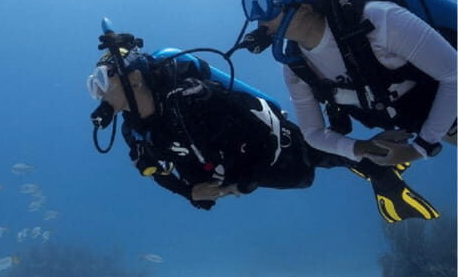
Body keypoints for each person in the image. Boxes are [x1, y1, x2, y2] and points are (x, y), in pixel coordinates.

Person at [87, 28, 438, 222]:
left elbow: (252, 124)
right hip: (243, 172)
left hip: (276, 150)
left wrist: (242, 181)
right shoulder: (134, 127)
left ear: (134, 79)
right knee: (326, 155)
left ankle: (380, 170)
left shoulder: (191, 96)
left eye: (102, 80)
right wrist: (188, 192)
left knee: (317, 154)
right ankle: (369, 163)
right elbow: (148, 167)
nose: (98, 92)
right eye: (93, 84)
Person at [240, 0, 456, 168]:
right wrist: (360, 148)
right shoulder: (295, 66)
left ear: (304, 3)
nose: (256, 15)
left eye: (264, 0)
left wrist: (419, 149)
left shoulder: (378, 20)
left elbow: (454, 74)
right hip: (424, 120)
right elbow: (312, 132)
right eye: (252, 3)